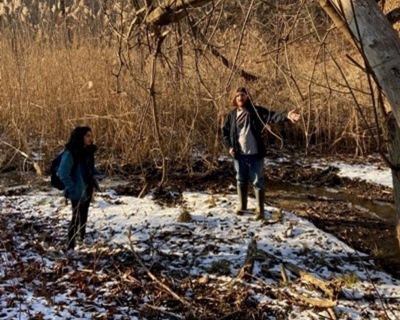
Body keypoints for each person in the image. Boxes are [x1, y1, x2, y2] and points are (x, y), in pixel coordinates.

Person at [222, 87, 300, 220]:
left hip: (255, 154)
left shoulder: (256, 112)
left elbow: (272, 116)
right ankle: (242, 205)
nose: (240, 98)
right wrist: (229, 147)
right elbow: (225, 133)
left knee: (258, 182)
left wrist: (287, 116)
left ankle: (260, 210)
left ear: (247, 97)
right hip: (239, 155)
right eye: (237, 96)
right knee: (240, 180)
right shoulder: (231, 115)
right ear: (234, 99)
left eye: (243, 95)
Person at [58, 126, 100, 250]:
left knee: (84, 214)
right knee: (75, 216)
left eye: (91, 136)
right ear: (80, 137)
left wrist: (96, 174)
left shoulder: (88, 151)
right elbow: (63, 173)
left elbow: (89, 167)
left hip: (87, 186)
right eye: (87, 135)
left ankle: (82, 237)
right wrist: (72, 187)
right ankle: (70, 245)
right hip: (77, 188)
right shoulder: (70, 153)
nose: (90, 138)